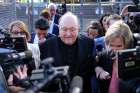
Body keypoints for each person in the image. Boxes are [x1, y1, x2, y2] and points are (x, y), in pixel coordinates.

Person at [39, 12, 95, 93]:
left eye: (72, 29)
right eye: (64, 29)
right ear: (59, 28)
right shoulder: (46, 46)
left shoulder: (89, 43)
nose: (68, 34)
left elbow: (92, 68)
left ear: (78, 28)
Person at [95, 21, 134, 93]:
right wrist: (99, 70)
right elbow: (93, 64)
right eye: (111, 45)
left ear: (127, 44)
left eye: (119, 46)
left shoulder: (134, 58)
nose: (114, 49)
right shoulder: (105, 55)